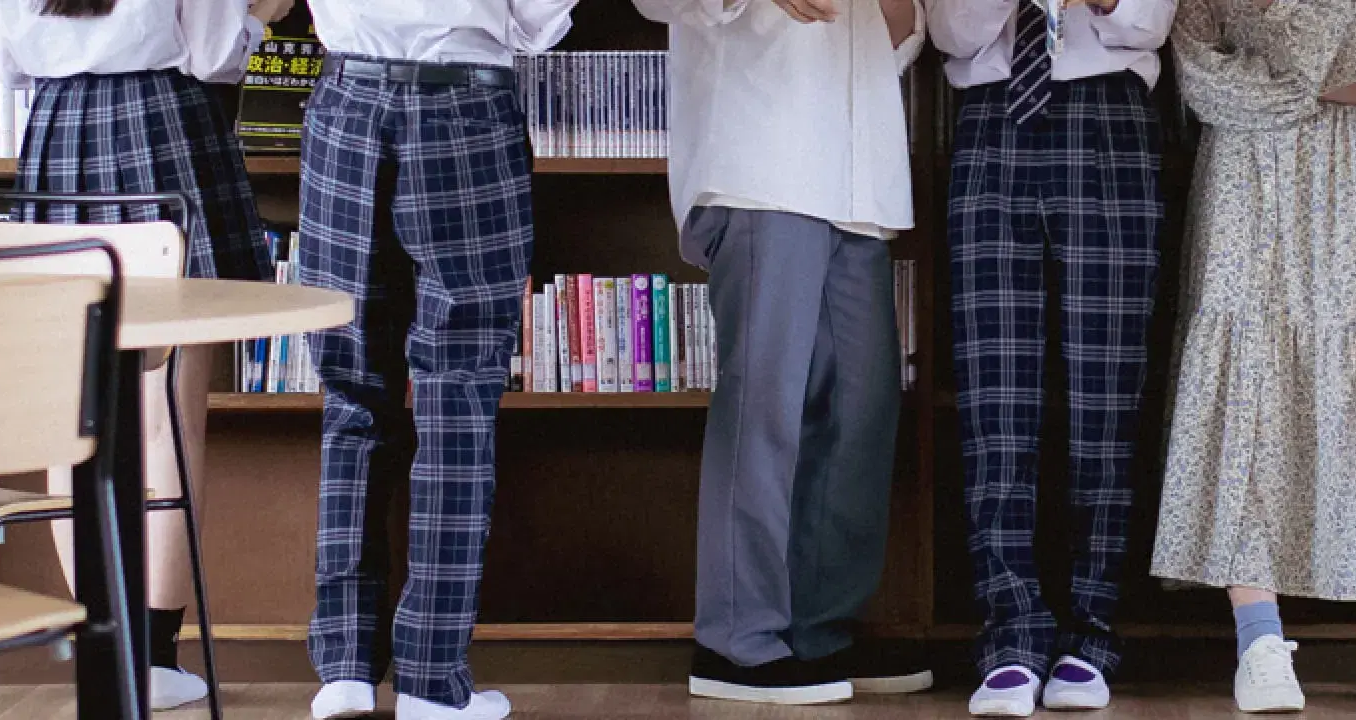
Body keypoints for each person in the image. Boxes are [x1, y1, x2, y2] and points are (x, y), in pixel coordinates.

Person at [1151, 0, 1356, 712]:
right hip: (1246, 175)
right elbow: (1201, 76)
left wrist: (1268, 69)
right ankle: (1258, 641)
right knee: (1248, 396)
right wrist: (1309, 88)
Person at [0, 0, 291, 709]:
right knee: (168, 412)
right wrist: (263, 14)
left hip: (59, 132)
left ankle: (100, 649)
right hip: (164, 126)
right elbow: (214, 55)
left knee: (74, 411)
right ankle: (152, 658)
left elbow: (8, 63)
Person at [631, 0, 932, 708]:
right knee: (766, 407)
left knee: (861, 412)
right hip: (761, 161)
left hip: (860, 178)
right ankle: (737, 638)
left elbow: (900, 36)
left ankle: (820, 630)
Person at [294, 1, 574, 718]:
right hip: (465, 107)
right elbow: (536, 23)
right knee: (458, 398)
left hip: (347, 103)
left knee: (351, 389)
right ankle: (431, 680)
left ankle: (346, 670)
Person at [926, 0, 1171, 713]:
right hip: (990, 119)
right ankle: (1010, 634)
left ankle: (1091, 636)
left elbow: (1151, 24)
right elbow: (950, 33)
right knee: (995, 396)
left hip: (1111, 121)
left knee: (1107, 394)